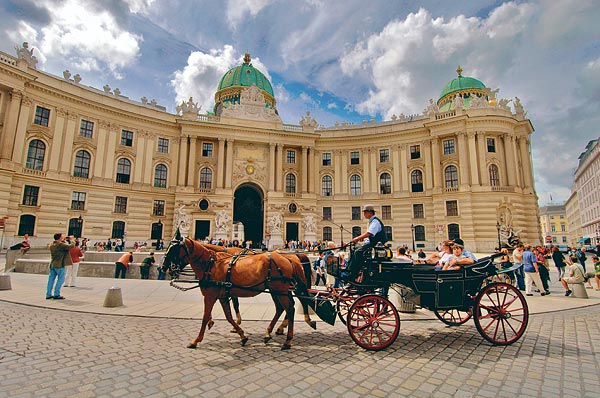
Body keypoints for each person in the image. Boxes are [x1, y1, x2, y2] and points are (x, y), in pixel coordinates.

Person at [347, 204, 387, 280]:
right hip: (372, 244)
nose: (364, 214)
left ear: (369, 212)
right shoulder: (372, 221)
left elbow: (370, 233)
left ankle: (354, 273)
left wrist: (358, 238)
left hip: (375, 245)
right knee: (354, 249)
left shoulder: (375, 222)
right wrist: (363, 238)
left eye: (365, 212)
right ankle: (351, 270)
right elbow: (369, 234)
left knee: (358, 252)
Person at [46, 234, 75, 299]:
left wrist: (63, 240)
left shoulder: (52, 245)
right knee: (61, 279)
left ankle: (48, 294)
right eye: (62, 237)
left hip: (53, 264)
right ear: (59, 238)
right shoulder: (61, 245)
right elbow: (71, 246)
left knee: (51, 280)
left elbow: (61, 246)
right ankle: (56, 294)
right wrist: (72, 240)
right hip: (59, 265)